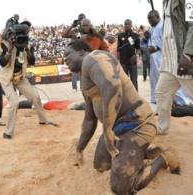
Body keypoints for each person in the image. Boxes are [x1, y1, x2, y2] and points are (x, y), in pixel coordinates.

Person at [64, 39, 180, 194]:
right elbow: (89, 119)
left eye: (67, 54)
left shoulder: (94, 58)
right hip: (116, 127)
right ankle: (148, 153)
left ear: (80, 51)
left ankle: (164, 157)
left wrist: (107, 131)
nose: (64, 59)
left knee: (121, 187)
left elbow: (112, 87)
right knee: (101, 165)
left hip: (137, 122)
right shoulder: (85, 79)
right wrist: (79, 149)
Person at [0, 20, 58, 139]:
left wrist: (26, 49)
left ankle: (43, 120)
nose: (22, 36)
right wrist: (10, 49)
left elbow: (32, 62)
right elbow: (2, 63)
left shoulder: (28, 44)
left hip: (20, 77)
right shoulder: (6, 42)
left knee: (35, 97)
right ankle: (8, 132)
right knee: (14, 102)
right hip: (6, 78)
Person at [155, 0, 193, 135]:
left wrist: (188, 53)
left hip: (183, 59)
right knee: (161, 92)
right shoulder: (166, 2)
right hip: (169, 60)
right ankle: (162, 128)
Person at [146, 10, 190, 106]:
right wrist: (146, 38)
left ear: (157, 17)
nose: (149, 21)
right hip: (153, 58)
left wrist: (157, 47)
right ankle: (155, 100)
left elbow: (169, 41)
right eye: (148, 19)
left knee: (170, 80)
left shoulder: (163, 26)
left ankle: (182, 102)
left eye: (151, 18)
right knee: (154, 80)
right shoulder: (152, 28)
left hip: (163, 58)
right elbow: (148, 42)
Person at [62, 13, 86, 92]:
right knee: (74, 71)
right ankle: (74, 88)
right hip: (74, 53)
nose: (80, 21)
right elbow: (63, 35)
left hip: (84, 53)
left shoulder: (88, 30)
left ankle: (83, 87)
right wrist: (72, 25)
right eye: (79, 20)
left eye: (82, 19)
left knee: (84, 71)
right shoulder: (74, 30)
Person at [117, 19, 140, 91]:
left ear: (131, 25)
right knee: (124, 81)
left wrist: (135, 55)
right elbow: (118, 49)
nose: (127, 25)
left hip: (132, 62)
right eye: (126, 24)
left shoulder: (136, 36)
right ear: (124, 26)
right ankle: (126, 98)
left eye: (128, 24)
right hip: (123, 62)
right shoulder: (120, 36)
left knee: (134, 81)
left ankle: (136, 98)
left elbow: (139, 48)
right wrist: (117, 61)